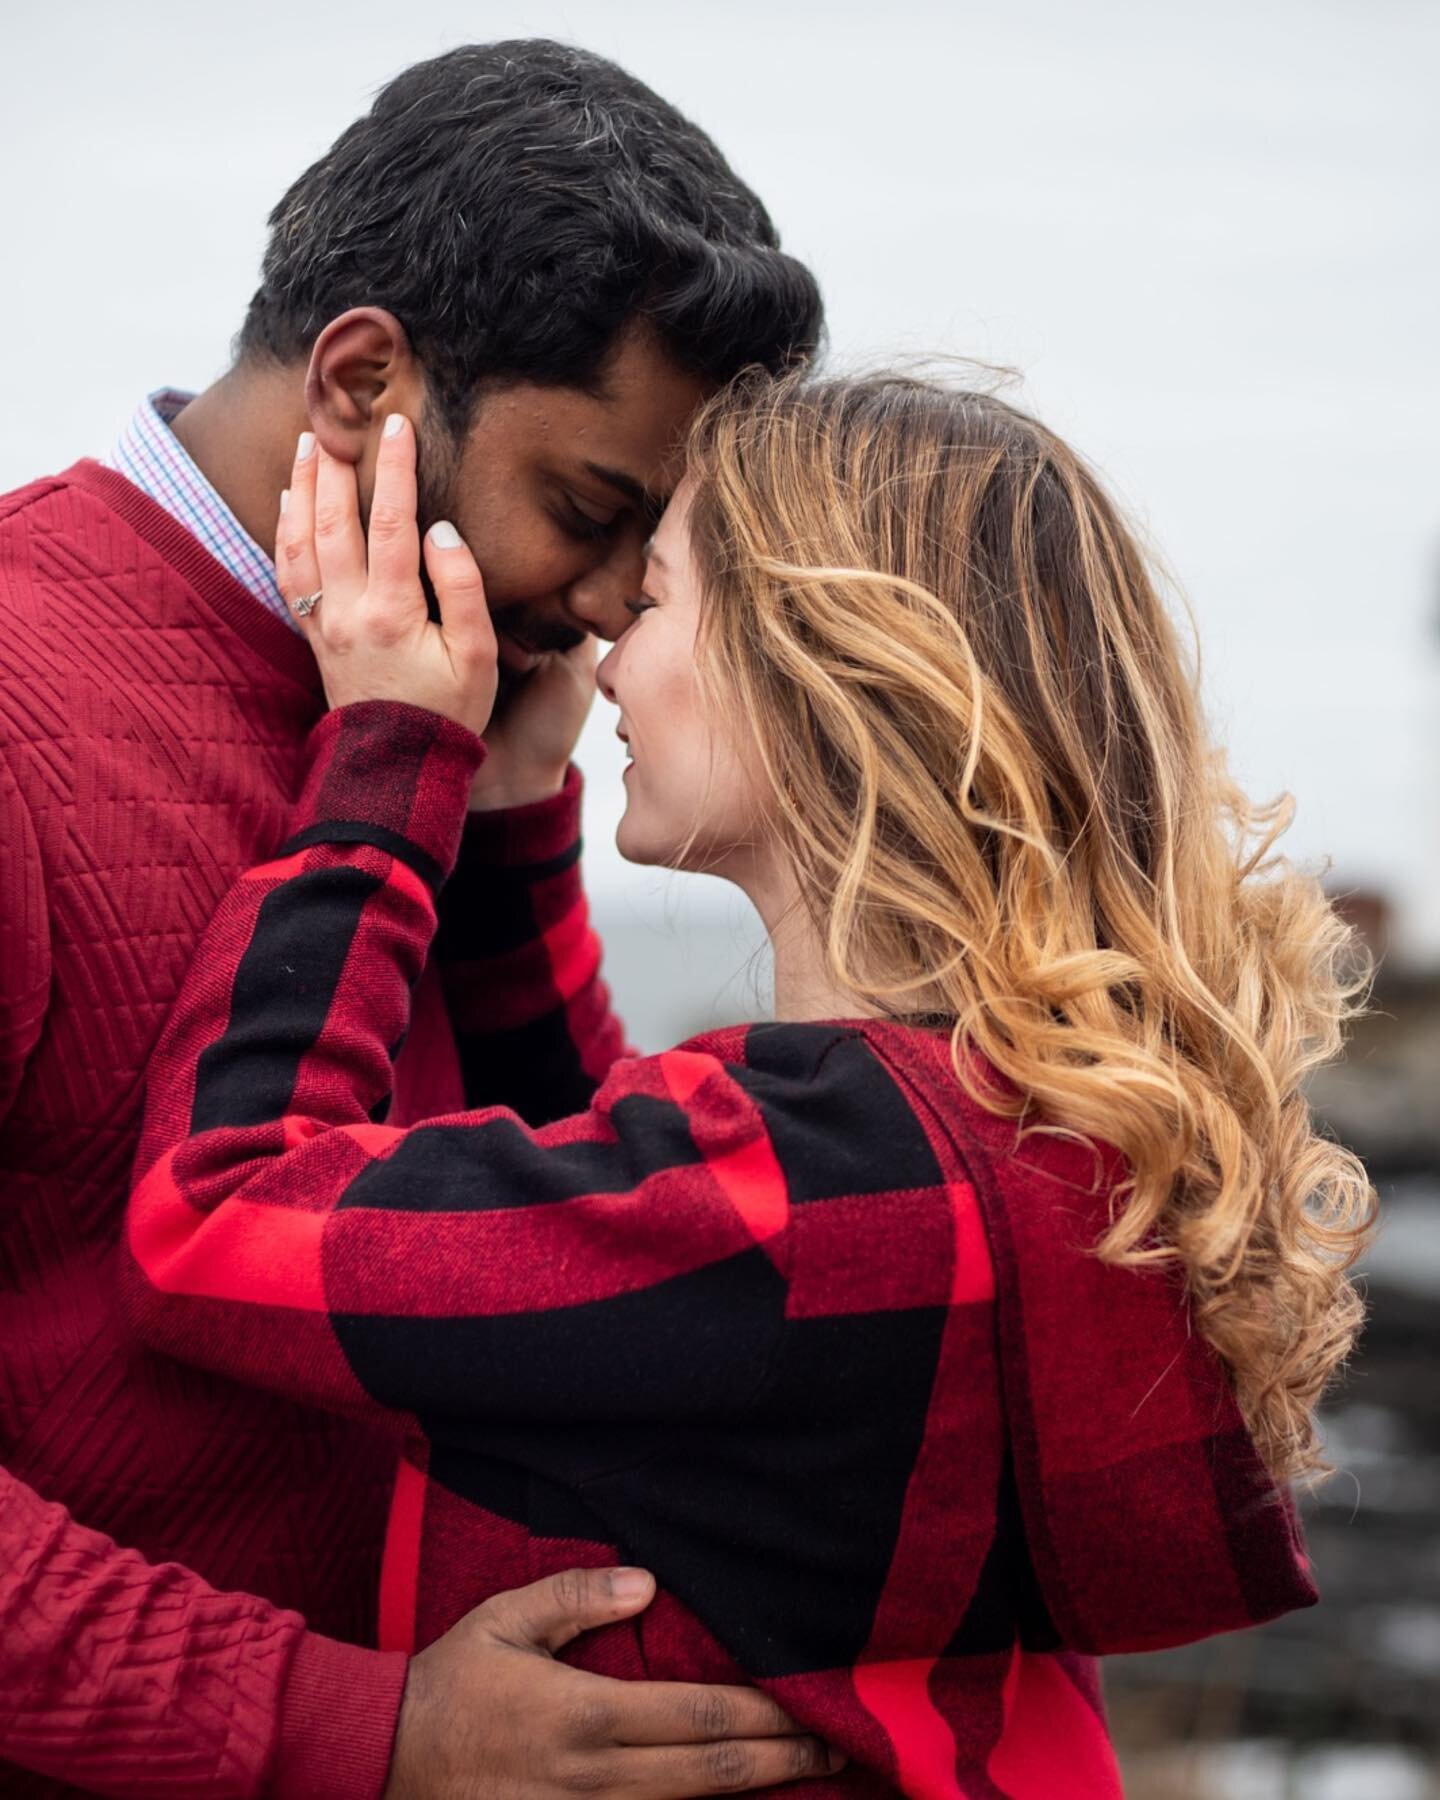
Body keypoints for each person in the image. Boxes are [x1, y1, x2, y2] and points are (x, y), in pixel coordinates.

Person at [122, 373, 1375, 1797]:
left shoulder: (797, 1195)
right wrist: (524, 816)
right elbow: (610, 1243)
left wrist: (385, 761)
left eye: (650, 600)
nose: (599, 660)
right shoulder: (1021, 1137)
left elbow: (213, 1220)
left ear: (813, 670)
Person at [0, 40, 828, 1799]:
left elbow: (570, 1250)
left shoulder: (428, 713)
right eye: (594, 516)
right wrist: (358, 1730)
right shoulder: (19, 704)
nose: (615, 616)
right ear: (363, 381)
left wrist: (514, 819)